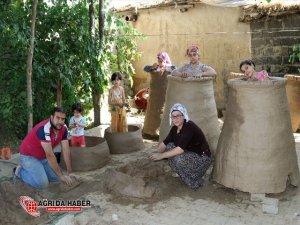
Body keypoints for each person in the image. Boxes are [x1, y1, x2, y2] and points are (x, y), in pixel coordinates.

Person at [150, 103, 212, 189]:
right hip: (190, 154)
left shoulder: (189, 126)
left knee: (178, 158)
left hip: (202, 158)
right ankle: (180, 172)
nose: (175, 119)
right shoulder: (174, 129)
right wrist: (155, 154)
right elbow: (165, 143)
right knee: (169, 146)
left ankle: (195, 181)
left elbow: (180, 150)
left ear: (183, 115)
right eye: (173, 116)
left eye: (178, 116)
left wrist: (161, 156)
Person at [14, 107, 74, 189]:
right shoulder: (44, 128)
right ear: (52, 117)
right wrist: (61, 175)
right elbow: (49, 155)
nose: (60, 121)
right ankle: (19, 171)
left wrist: (70, 172)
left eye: (63, 119)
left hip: (43, 157)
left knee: (56, 179)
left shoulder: (64, 128)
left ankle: (40, 170)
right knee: (43, 185)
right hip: (28, 156)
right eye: (57, 118)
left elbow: (66, 150)